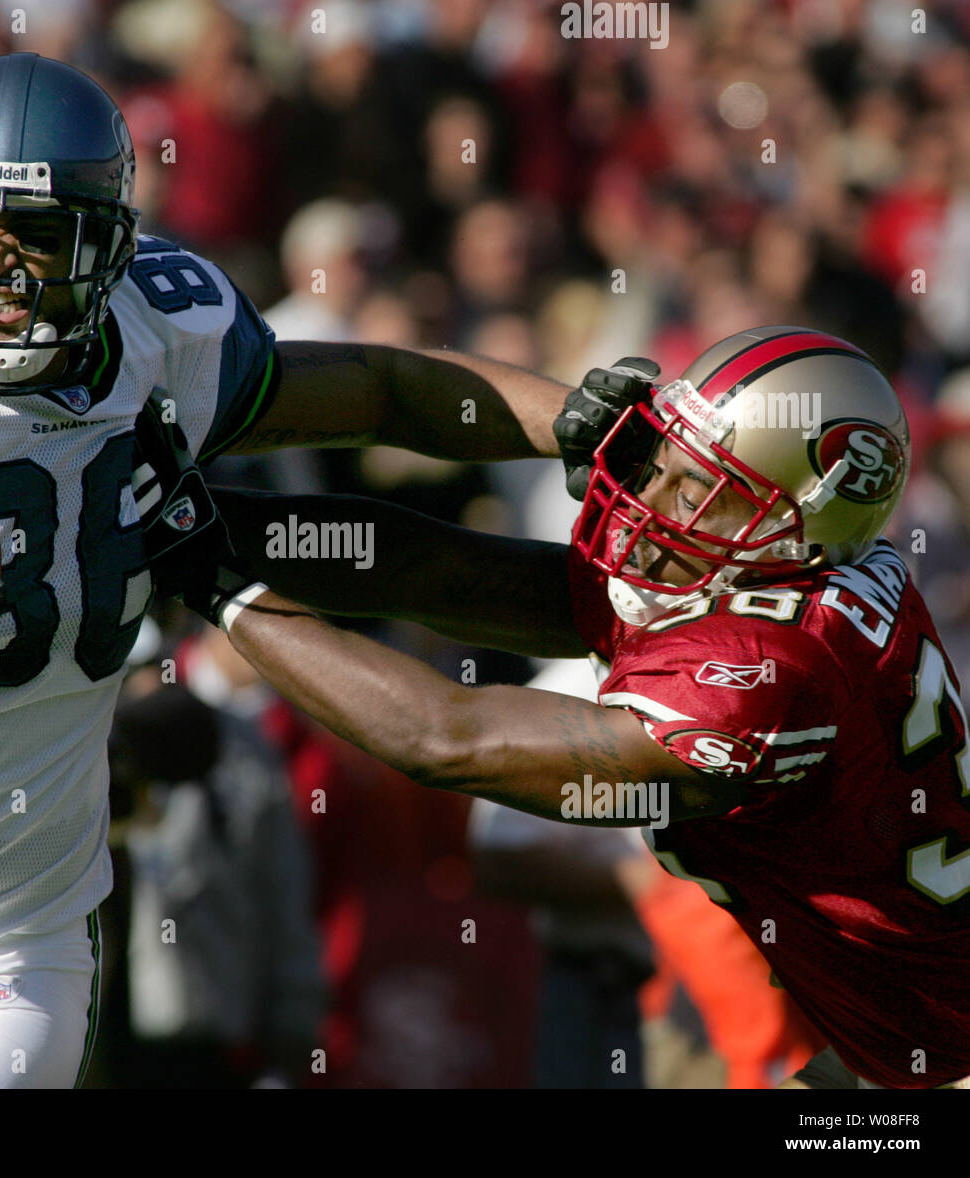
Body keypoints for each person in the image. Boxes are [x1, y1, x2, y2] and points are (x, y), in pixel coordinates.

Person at [0, 52, 573, 1089]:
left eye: (35, 237)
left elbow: (379, 388)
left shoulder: (163, 341)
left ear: (105, 246)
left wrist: (582, 418)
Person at [160, 325, 970, 1090]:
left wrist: (221, 589)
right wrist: (208, 519)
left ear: (804, 523)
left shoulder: (769, 671)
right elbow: (439, 574)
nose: (655, 498)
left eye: (701, 490)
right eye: (665, 461)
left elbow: (447, 738)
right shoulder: (795, 578)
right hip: (895, 1042)